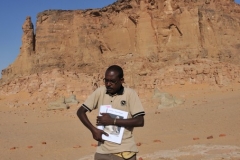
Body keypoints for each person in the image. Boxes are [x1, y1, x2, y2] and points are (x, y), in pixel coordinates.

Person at [77, 65, 145, 160]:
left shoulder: (130, 94)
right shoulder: (100, 92)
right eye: (106, 80)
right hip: (102, 152)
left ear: (121, 80)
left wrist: (112, 121)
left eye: (112, 81)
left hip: (124, 151)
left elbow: (140, 121)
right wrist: (93, 130)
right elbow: (80, 112)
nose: (108, 84)